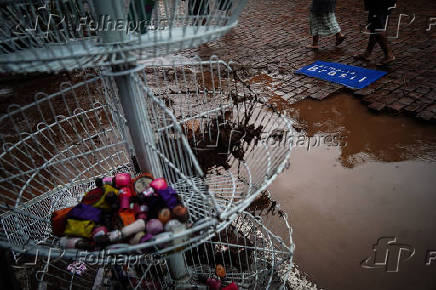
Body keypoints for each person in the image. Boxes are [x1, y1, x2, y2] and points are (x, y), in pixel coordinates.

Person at [355, 0, 397, 65]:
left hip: (379, 4)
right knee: (374, 27)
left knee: (378, 28)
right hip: (379, 4)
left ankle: (389, 55)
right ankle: (367, 53)